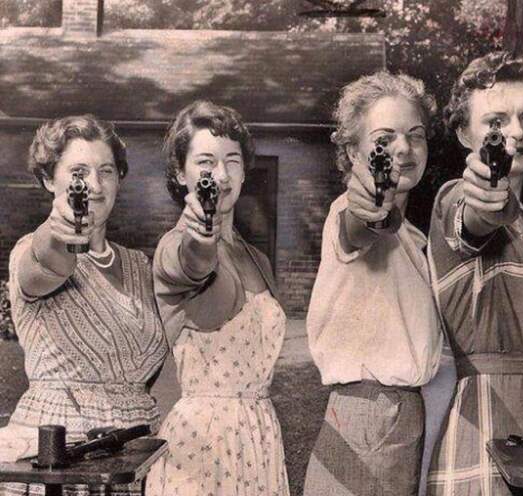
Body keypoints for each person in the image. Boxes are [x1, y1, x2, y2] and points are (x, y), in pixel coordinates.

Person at [0, 115, 168, 496]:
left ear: (119, 179)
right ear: (49, 179)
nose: (93, 184)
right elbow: (48, 263)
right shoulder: (29, 249)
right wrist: (58, 233)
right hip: (59, 456)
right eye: (78, 172)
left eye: (106, 171)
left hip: (132, 455)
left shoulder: (139, 265)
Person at [425, 51, 523, 496]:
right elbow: (473, 220)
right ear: (465, 133)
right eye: (496, 121)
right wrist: (487, 201)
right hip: (484, 427)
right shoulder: (454, 197)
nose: (517, 132)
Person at [303, 71, 444, 496]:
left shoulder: (414, 237)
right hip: (373, 411)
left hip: (398, 412)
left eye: (415, 135)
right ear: (353, 151)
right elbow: (360, 225)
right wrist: (372, 208)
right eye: (384, 139)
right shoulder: (347, 211)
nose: (403, 148)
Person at [145, 100, 289, 496]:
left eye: (232, 161)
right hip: (200, 444)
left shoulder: (257, 258)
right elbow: (192, 263)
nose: (221, 175)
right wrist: (202, 240)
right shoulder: (175, 245)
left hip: (259, 438)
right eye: (206, 162)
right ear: (181, 173)